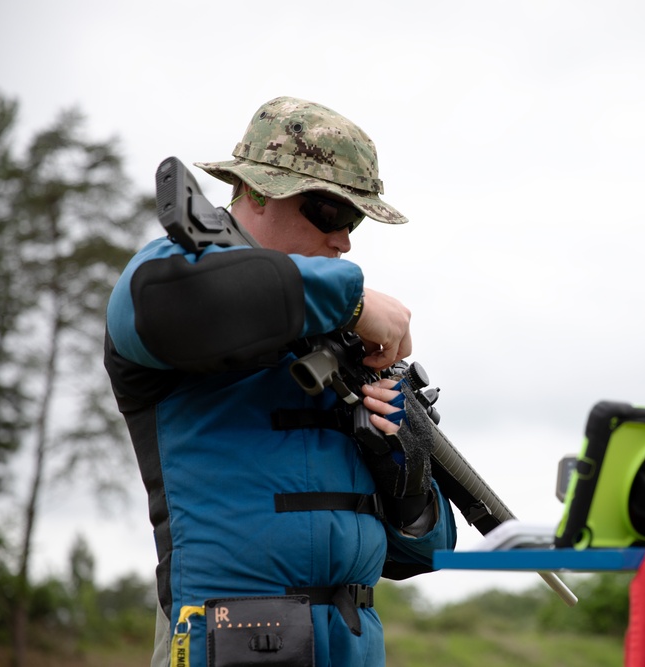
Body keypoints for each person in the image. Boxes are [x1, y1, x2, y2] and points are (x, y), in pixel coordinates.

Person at [104, 96, 457, 667]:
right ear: (258, 190)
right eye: (328, 212)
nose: (344, 240)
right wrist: (353, 298)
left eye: (355, 220)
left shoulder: (342, 342)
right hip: (232, 637)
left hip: (354, 643)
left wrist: (409, 486)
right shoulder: (164, 276)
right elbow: (169, 305)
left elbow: (426, 554)